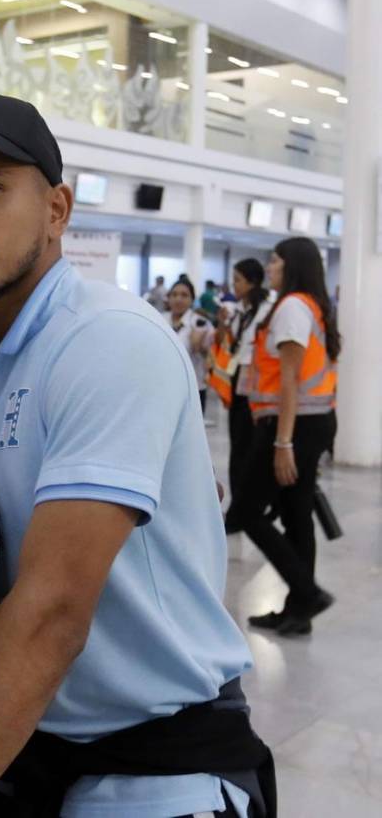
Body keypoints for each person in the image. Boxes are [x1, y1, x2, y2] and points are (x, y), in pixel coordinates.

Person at [0, 89, 269, 818]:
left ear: (56, 209)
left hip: (154, 758)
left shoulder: (107, 339)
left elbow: (50, 614)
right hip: (25, 742)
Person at [233, 238, 339, 637]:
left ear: (291, 266)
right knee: (295, 514)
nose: (270, 267)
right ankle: (299, 611)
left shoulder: (293, 307)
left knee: (245, 512)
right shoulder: (307, 305)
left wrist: (283, 444)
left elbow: (290, 379)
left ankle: (307, 593)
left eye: (275, 260)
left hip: (296, 424)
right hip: (309, 421)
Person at [207, 259, 272, 521]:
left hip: (255, 386)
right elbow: (228, 344)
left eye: (238, 280)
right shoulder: (239, 311)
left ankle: (247, 508)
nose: (234, 285)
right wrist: (223, 323)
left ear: (252, 281)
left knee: (250, 449)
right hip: (236, 383)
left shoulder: (267, 310)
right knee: (238, 446)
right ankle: (238, 508)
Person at [166, 277, 214, 412]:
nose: (178, 299)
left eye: (184, 295)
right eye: (174, 295)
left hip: (193, 390)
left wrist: (200, 347)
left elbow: (212, 356)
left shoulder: (201, 323)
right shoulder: (160, 319)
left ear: (192, 299)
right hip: (165, 388)